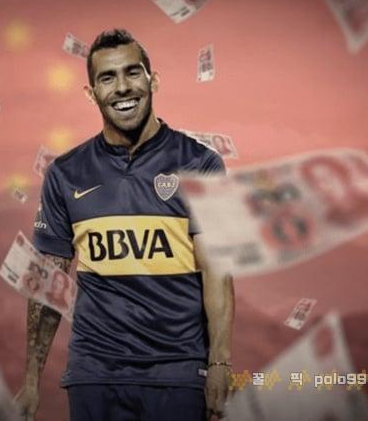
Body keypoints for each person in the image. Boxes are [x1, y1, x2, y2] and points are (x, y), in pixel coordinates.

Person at [15, 28, 234, 421]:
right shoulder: (65, 173)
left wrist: (219, 361)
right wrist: (31, 380)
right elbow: (49, 282)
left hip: (178, 372)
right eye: (107, 77)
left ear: (154, 80)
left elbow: (216, 271)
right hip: (94, 374)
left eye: (132, 72)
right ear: (91, 93)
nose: (122, 87)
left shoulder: (201, 164)